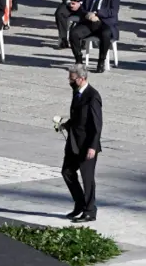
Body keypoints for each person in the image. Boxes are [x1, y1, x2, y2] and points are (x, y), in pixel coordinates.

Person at [59, 64, 103, 222]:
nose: (69, 82)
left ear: (82, 78)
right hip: (73, 142)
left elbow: (97, 125)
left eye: (72, 79)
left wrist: (93, 146)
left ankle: (90, 210)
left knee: (87, 178)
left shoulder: (93, 96)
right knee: (67, 172)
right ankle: (80, 204)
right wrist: (67, 124)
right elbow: (78, 117)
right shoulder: (76, 92)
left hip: (86, 145)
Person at [69, 0, 120, 73]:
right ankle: (79, 60)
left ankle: (101, 61)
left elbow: (113, 11)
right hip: (89, 23)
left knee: (106, 34)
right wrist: (87, 14)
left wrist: (96, 13)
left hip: (105, 24)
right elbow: (82, 9)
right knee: (74, 33)